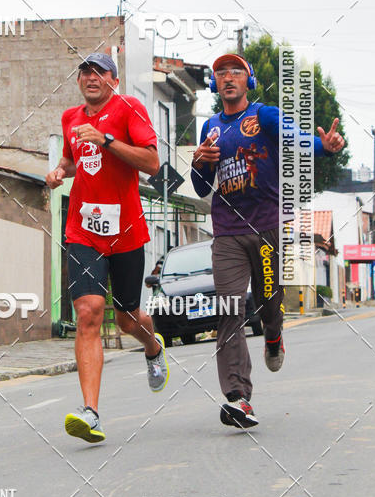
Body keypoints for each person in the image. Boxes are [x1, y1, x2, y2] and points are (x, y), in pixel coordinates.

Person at [191, 54, 344, 429]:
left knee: (269, 303)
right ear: (214, 84)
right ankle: (239, 398)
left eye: (236, 72)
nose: (228, 78)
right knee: (228, 309)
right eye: (221, 73)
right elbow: (200, 187)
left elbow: (297, 140)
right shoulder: (209, 127)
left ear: (249, 80)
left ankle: (273, 336)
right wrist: (199, 161)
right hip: (226, 232)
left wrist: (325, 146)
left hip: (266, 229)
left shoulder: (265, 116)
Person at [45, 53, 169, 444]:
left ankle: (152, 347)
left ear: (114, 79)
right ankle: (91, 413)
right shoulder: (70, 118)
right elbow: (71, 157)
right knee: (88, 312)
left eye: (99, 72)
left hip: (126, 232)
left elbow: (152, 162)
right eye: (84, 72)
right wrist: (60, 171)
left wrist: (108, 140)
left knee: (129, 319)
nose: (91, 77)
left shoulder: (129, 108)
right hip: (83, 229)